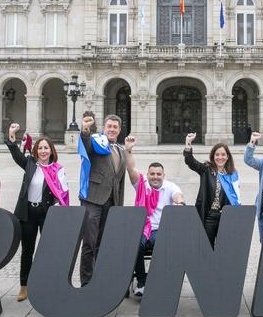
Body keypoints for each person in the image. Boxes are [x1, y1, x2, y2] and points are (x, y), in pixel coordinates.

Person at [5, 123, 68, 302]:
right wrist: (12, 136)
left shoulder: (57, 169)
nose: (43, 151)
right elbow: (16, 155)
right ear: (35, 151)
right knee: (27, 250)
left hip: (46, 213)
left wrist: (58, 208)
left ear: (51, 150)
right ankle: (24, 286)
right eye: (40, 148)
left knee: (48, 250)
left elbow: (63, 193)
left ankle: (48, 283)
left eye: (46, 148)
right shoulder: (30, 164)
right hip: (27, 213)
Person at [124, 135, 184, 297]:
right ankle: (141, 282)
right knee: (135, 245)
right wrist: (128, 150)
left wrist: (179, 203)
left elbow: (178, 196)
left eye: (158, 174)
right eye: (152, 174)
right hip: (143, 228)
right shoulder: (141, 185)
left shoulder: (170, 187)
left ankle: (159, 281)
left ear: (163, 175)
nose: (155, 177)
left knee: (163, 246)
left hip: (160, 230)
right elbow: (130, 169)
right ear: (147, 175)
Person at [78, 114, 126, 286]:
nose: (112, 129)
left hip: (111, 202)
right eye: (109, 126)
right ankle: (86, 282)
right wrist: (85, 129)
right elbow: (86, 146)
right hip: (93, 199)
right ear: (104, 128)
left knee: (103, 243)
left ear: (119, 130)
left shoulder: (121, 150)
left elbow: (120, 181)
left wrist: (119, 205)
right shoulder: (96, 141)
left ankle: (100, 279)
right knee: (89, 243)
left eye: (115, 127)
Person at [183, 133, 241, 245]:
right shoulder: (206, 170)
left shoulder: (232, 175)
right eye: (217, 154)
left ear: (227, 156)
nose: (220, 157)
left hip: (225, 217)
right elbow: (190, 161)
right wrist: (188, 143)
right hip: (208, 216)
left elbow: (235, 197)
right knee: (206, 248)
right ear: (213, 157)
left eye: (223, 154)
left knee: (223, 248)